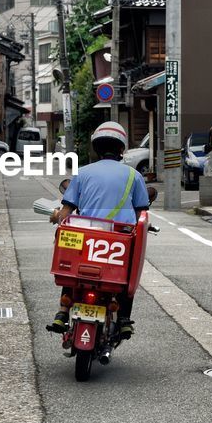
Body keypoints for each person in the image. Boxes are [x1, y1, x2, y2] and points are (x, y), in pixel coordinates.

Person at [47, 121, 150, 341]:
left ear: (96, 148)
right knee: (125, 274)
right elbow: (142, 214)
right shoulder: (134, 176)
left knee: (71, 264)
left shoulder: (82, 174)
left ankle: (63, 311)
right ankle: (123, 319)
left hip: (87, 239)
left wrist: (56, 216)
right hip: (119, 241)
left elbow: (66, 213)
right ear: (122, 149)